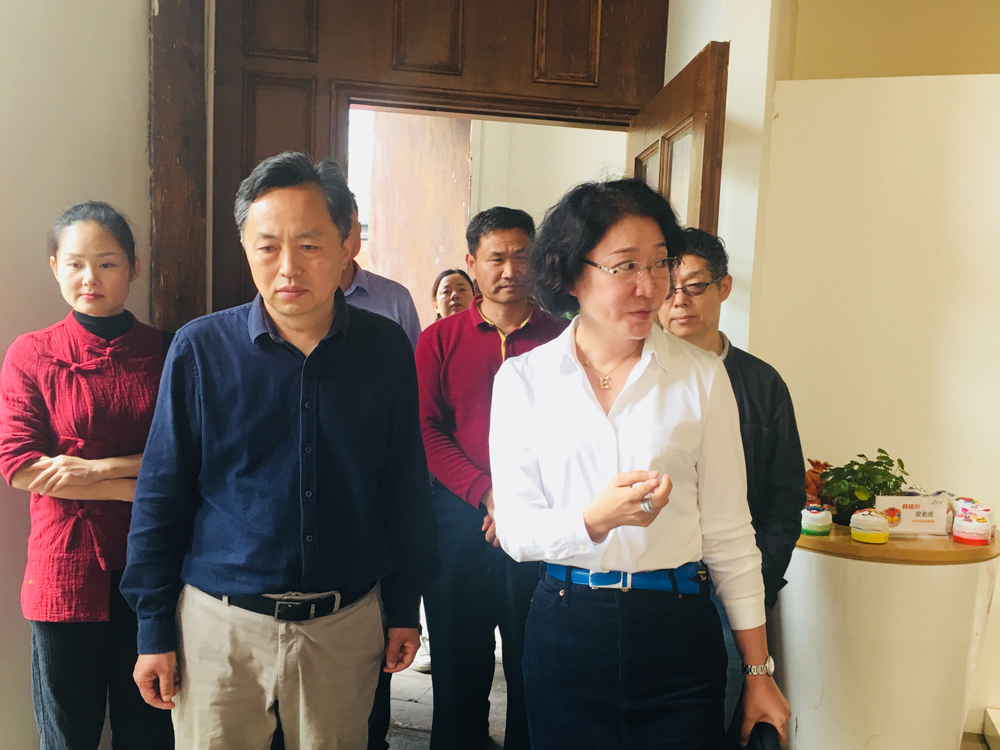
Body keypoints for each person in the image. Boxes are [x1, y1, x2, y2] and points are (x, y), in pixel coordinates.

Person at [121, 151, 439, 749]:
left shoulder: (385, 348)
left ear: (347, 246)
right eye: (268, 246)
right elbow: (162, 495)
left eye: (310, 245)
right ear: (246, 248)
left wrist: (404, 607)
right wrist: (152, 625)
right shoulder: (200, 350)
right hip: (219, 630)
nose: (288, 267)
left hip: (344, 626)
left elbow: (404, 486)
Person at [489, 179, 791, 749]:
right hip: (566, 626)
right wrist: (594, 518)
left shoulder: (702, 377)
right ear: (572, 273)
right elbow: (517, 531)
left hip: (678, 630)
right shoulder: (524, 380)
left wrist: (758, 672)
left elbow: (729, 534)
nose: (650, 287)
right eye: (625, 266)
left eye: (659, 263)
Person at [0, 202, 174, 749]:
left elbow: (189, 456)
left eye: (107, 263)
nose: (89, 278)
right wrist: (133, 489)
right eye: (75, 264)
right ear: (55, 267)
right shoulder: (31, 353)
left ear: (134, 267)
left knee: (149, 730)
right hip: (64, 570)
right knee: (67, 735)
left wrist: (99, 469)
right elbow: (19, 465)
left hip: (153, 565)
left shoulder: (169, 350)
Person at [415, 207, 568, 750]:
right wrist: (487, 493)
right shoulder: (439, 339)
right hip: (459, 525)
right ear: (472, 263)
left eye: (522, 256)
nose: (510, 270)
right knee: (457, 666)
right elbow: (426, 429)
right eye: (496, 258)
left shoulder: (564, 339)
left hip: (540, 524)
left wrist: (520, 502)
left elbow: (573, 434)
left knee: (535, 665)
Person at [659, 227, 806, 726]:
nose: (679, 302)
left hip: (734, 588)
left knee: (717, 719)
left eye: (694, 286)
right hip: (660, 586)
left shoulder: (762, 385)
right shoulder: (643, 377)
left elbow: (786, 497)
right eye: (669, 289)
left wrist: (756, 576)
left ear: (723, 287)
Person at [340, 198, 422, 349]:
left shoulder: (396, 298)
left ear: (359, 229)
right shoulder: (300, 298)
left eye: (348, 224)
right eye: (337, 225)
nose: (345, 236)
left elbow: (414, 360)